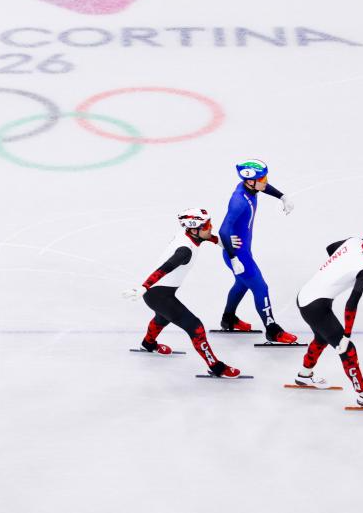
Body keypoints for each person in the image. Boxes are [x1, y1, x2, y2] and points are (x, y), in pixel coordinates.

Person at [124, 209, 241, 378]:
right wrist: (144, 287)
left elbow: (208, 237)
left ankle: (148, 344)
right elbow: (165, 268)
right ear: (194, 229)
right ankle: (216, 367)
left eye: (209, 223)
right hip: (157, 295)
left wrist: (223, 244)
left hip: (159, 293)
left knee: (162, 318)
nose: (210, 227)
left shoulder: (190, 234)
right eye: (206, 226)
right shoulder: (185, 250)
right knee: (196, 327)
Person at [293, 225, 363, 409]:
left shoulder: (354, 241)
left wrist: (337, 270)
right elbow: (351, 303)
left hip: (305, 295)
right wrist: (347, 335)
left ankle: (304, 375)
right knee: (347, 350)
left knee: (321, 338)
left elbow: (330, 248)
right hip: (316, 306)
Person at [218, 159, 298, 343]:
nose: (266, 182)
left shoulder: (250, 187)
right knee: (261, 287)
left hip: (242, 251)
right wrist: (234, 258)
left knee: (241, 285)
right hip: (237, 255)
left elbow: (263, 187)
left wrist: (282, 196)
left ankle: (228, 319)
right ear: (250, 181)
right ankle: (272, 330)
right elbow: (223, 230)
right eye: (262, 179)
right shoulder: (239, 201)